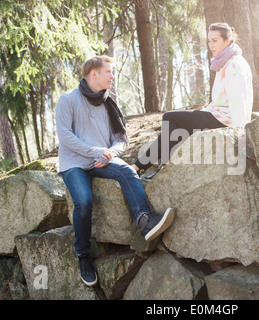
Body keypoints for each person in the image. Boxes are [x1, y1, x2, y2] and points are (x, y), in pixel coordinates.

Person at [55, 55, 175, 286]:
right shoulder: (68, 99)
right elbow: (65, 138)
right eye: (109, 72)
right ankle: (82, 255)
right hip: (74, 163)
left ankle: (145, 220)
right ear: (94, 75)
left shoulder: (109, 101)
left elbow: (121, 140)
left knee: (129, 172)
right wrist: (95, 152)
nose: (112, 76)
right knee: (84, 201)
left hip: (101, 159)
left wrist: (111, 153)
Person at [132, 22, 253, 176]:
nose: (211, 45)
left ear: (227, 41)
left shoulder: (234, 65)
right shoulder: (224, 62)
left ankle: (141, 168)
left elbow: (239, 103)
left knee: (169, 117)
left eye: (215, 41)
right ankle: (148, 168)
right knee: (175, 129)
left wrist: (239, 137)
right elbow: (220, 101)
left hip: (225, 122)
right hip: (218, 117)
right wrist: (201, 112)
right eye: (209, 41)